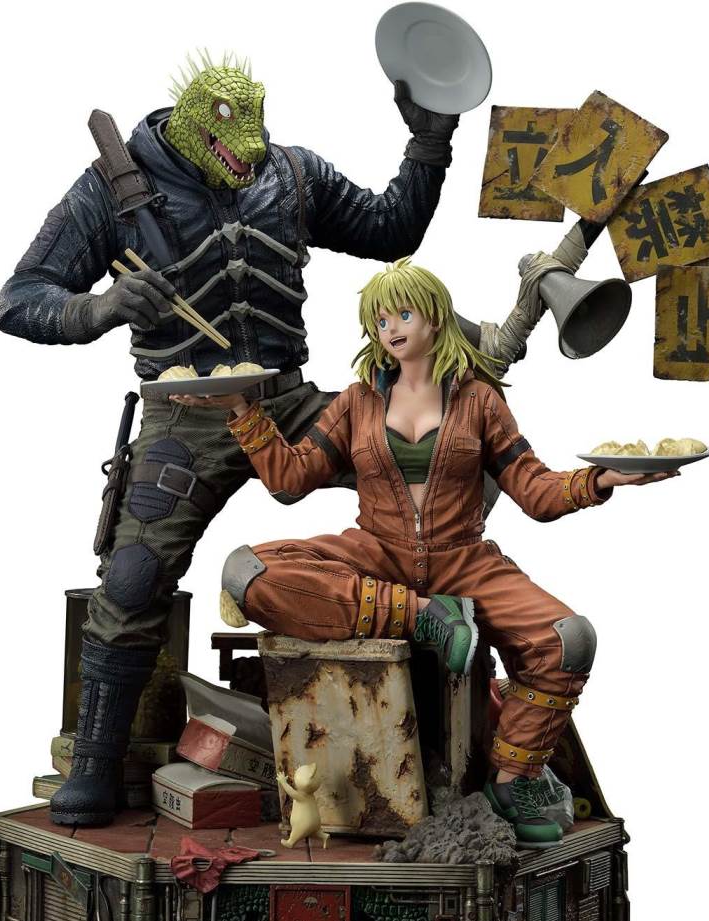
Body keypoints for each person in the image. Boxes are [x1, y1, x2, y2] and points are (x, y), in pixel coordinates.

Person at [0, 53, 464, 826]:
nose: (245, 158)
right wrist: (102, 308)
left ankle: (434, 693)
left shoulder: (291, 173)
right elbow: (18, 301)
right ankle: (97, 763)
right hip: (185, 414)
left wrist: (429, 143)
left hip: (290, 400)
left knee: (440, 463)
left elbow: (390, 229)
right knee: (133, 578)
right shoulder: (110, 190)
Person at [206, 259, 678, 848]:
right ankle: (422, 614)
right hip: (375, 554)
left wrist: (600, 480)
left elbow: (534, 491)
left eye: (403, 314)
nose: (391, 329)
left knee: (569, 639)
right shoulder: (356, 402)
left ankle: (514, 779)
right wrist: (240, 411)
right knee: (247, 572)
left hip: (465, 560)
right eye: (380, 320)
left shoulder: (480, 401)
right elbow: (290, 479)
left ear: (435, 317)